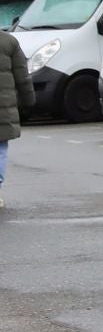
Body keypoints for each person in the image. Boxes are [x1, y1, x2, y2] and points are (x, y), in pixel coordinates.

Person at [1, 28, 29, 210]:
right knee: (0, 149)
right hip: (3, 107)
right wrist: (29, 98)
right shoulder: (9, 42)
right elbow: (22, 75)